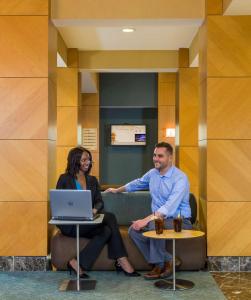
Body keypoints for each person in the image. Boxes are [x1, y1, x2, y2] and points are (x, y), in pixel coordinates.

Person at [105, 142, 192, 280]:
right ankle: (169, 260)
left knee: (154, 224)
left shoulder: (180, 178)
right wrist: (117, 190)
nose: (156, 159)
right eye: (154, 155)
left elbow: (168, 208)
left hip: (180, 221)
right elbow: (137, 183)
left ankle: (158, 266)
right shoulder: (153, 174)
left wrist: (144, 220)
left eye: (160, 156)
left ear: (170, 158)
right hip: (159, 219)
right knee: (133, 230)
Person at [56, 146, 140, 278]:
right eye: (84, 159)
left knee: (106, 231)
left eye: (89, 159)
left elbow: (99, 201)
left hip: (87, 221)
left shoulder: (92, 180)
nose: (87, 162)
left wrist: (94, 210)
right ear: (75, 160)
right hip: (70, 224)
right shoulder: (64, 179)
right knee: (110, 217)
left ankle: (76, 263)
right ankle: (122, 259)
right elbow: (59, 202)